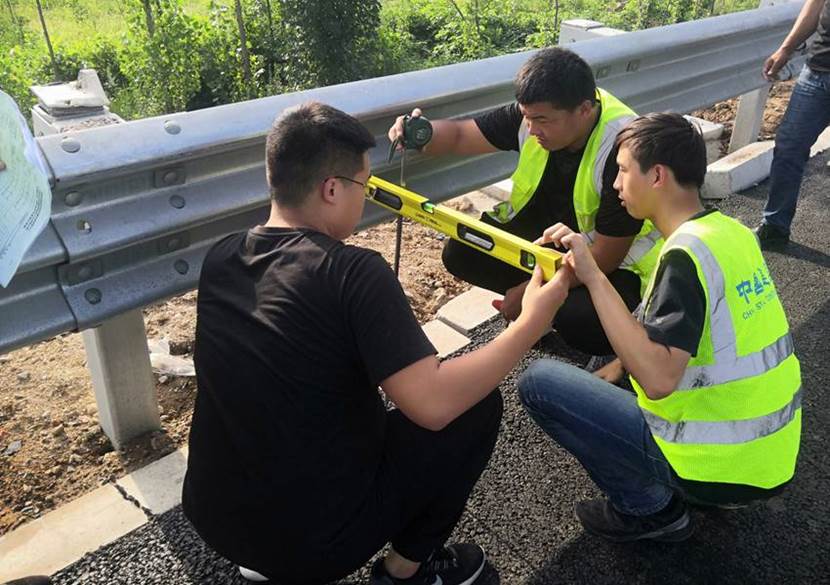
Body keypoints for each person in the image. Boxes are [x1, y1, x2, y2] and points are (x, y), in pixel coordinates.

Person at [182, 102, 570, 585]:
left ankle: (266, 558)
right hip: (314, 545)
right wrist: (531, 322)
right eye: (362, 185)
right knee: (474, 408)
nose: (364, 199)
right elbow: (433, 404)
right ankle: (405, 572)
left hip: (212, 515)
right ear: (331, 189)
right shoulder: (350, 271)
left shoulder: (222, 256)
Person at [518, 113, 802, 542]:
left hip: (717, 463)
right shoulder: (732, 234)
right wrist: (614, 370)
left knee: (538, 383)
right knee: (607, 371)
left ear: (657, 176)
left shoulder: (684, 255)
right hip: (768, 456)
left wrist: (592, 275)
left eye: (622, 170)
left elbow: (657, 379)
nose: (616, 185)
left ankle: (648, 508)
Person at [388, 47, 663, 358]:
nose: (531, 129)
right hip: (551, 240)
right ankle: (546, 316)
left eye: (542, 120)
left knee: (580, 318)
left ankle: (607, 341)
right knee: (463, 252)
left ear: (585, 110)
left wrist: (531, 296)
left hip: (615, 264)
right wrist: (421, 134)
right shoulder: (533, 114)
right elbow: (461, 135)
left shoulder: (622, 148)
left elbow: (605, 257)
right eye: (527, 117)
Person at [756, 0, 830, 248]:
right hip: (818, 69)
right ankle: (774, 227)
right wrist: (785, 49)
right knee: (788, 148)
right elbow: (816, 4)